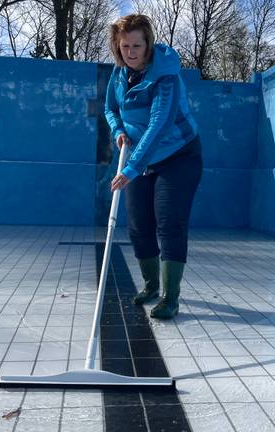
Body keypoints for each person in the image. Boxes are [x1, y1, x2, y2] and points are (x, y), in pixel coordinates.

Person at [104, 14, 202, 319]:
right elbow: (110, 108)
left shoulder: (165, 75)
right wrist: (118, 131)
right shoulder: (119, 74)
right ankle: (150, 287)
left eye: (137, 45)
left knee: (169, 223)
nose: (131, 52)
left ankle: (170, 298)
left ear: (148, 45)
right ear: (117, 48)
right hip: (140, 158)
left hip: (178, 156)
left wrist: (131, 168)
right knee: (138, 225)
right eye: (125, 47)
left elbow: (159, 125)